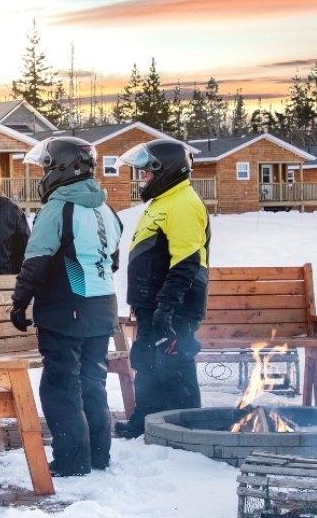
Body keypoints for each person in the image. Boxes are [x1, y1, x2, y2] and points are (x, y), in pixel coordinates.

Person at [9, 137, 122, 477]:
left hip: (65, 309)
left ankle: (73, 460)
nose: (43, 173)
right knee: (92, 382)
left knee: (61, 386)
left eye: (45, 166)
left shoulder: (58, 208)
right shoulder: (107, 209)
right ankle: (98, 454)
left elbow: (37, 262)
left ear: (60, 168)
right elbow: (112, 261)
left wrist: (19, 303)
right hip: (102, 308)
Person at [113, 139, 210, 439]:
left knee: (174, 366)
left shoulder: (183, 203)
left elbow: (186, 262)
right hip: (152, 306)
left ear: (165, 170)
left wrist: (167, 308)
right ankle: (147, 420)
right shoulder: (164, 201)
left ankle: (185, 429)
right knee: (148, 362)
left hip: (174, 307)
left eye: (147, 172)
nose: (143, 178)